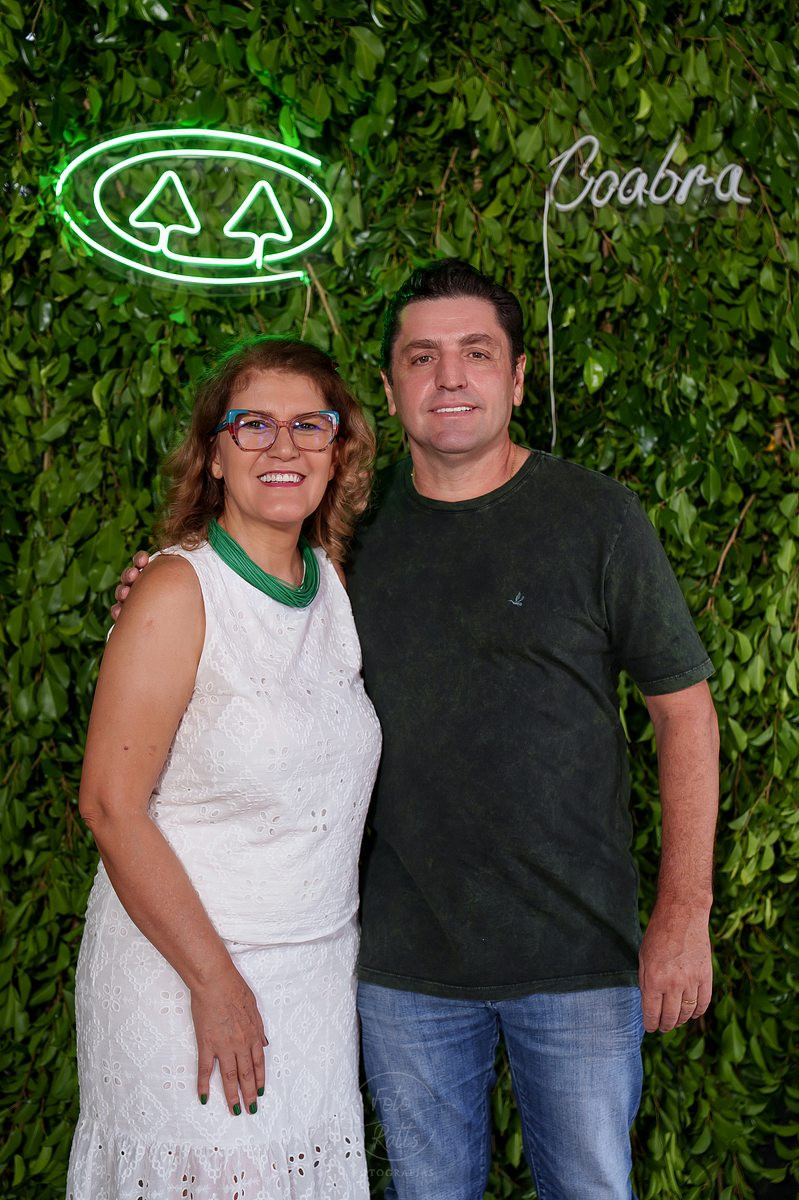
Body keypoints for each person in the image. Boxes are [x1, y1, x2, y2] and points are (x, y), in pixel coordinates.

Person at [115, 261, 719, 1200]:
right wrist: (158, 585)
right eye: (422, 357)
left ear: (516, 378)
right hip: (403, 967)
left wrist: (683, 913)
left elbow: (684, 713)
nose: (449, 378)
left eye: (475, 353)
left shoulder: (597, 517)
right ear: (390, 388)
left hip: (578, 956)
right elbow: (240, 595)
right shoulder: (346, 529)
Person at [68, 337, 382, 1200]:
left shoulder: (331, 584)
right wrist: (214, 981)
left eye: (309, 426)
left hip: (314, 983)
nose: (283, 446)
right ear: (213, 454)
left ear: (337, 451)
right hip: (185, 974)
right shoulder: (176, 592)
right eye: (253, 425)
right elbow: (109, 805)